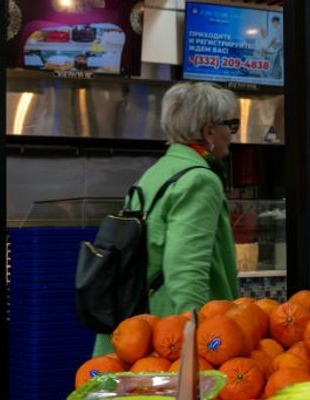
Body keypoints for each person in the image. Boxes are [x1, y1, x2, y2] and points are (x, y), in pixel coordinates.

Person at [93, 82, 240, 355]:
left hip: (136, 329)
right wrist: (199, 348)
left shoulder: (156, 173)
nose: (232, 136)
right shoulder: (199, 179)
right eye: (230, 126)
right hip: (168, 337)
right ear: (209, 131)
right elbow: (186, 272)